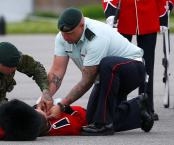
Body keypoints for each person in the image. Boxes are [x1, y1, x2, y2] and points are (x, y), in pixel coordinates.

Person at [41, 7, 154, 136]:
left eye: (69, 33)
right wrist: (46, 96)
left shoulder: (96, 36)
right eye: (62, 33)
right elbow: (57, 71)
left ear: (82, 26)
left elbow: (87, 80)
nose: (65, 37)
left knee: (107, 64)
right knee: (91, 120)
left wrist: (61, 106)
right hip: (108, 78)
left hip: (133, 69)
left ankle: (105, 125)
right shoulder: (62, 38)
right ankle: (138, 109)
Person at [0, 99, 88, 140]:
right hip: (86, 115)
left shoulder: (32, 126)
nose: (38, 108)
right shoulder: (65, 124)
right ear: (46, 122)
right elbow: (80, 121)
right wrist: (62, 106)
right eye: (38, 110)